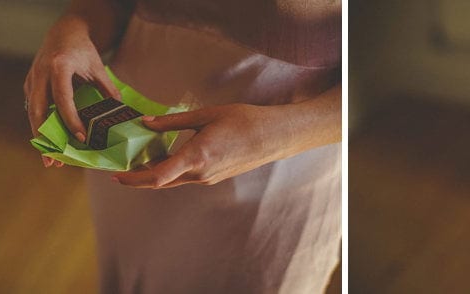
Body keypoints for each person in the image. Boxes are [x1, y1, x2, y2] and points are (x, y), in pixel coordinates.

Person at [23, 0, 341, 293]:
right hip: (126, 137)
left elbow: (381, 83)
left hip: (272, 171)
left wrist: (264, 139)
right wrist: (74, 25)